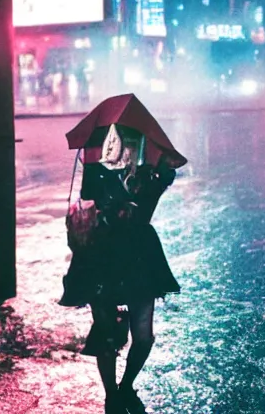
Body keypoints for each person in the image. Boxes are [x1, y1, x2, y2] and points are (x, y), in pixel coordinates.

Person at [59, 125, 180, 414]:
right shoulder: (95, 159)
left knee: (143, 336)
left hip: (138, 255)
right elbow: (88, 199)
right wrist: (111, 208)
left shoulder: (147, 163)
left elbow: (160, 185)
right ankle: (112, 394)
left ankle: (124, 388)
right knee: (106, 334)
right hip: (102, 253)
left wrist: (160, 170)